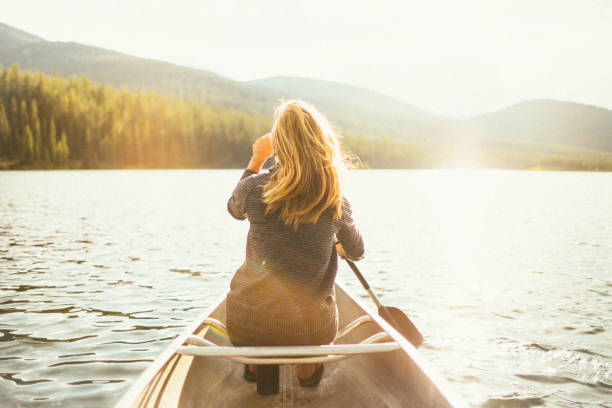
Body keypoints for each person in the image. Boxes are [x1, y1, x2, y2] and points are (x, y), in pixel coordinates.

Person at [226, 100, 364, 387]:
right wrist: (337, 242)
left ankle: (255, 366)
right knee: (311, 322)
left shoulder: (252, 188)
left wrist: (256, 161)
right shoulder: (335, 200)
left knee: (257, 323)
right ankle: (306, 371)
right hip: (310, 330)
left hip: (246, 323)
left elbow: (234, 209)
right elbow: (357, 251)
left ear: (281, 146)